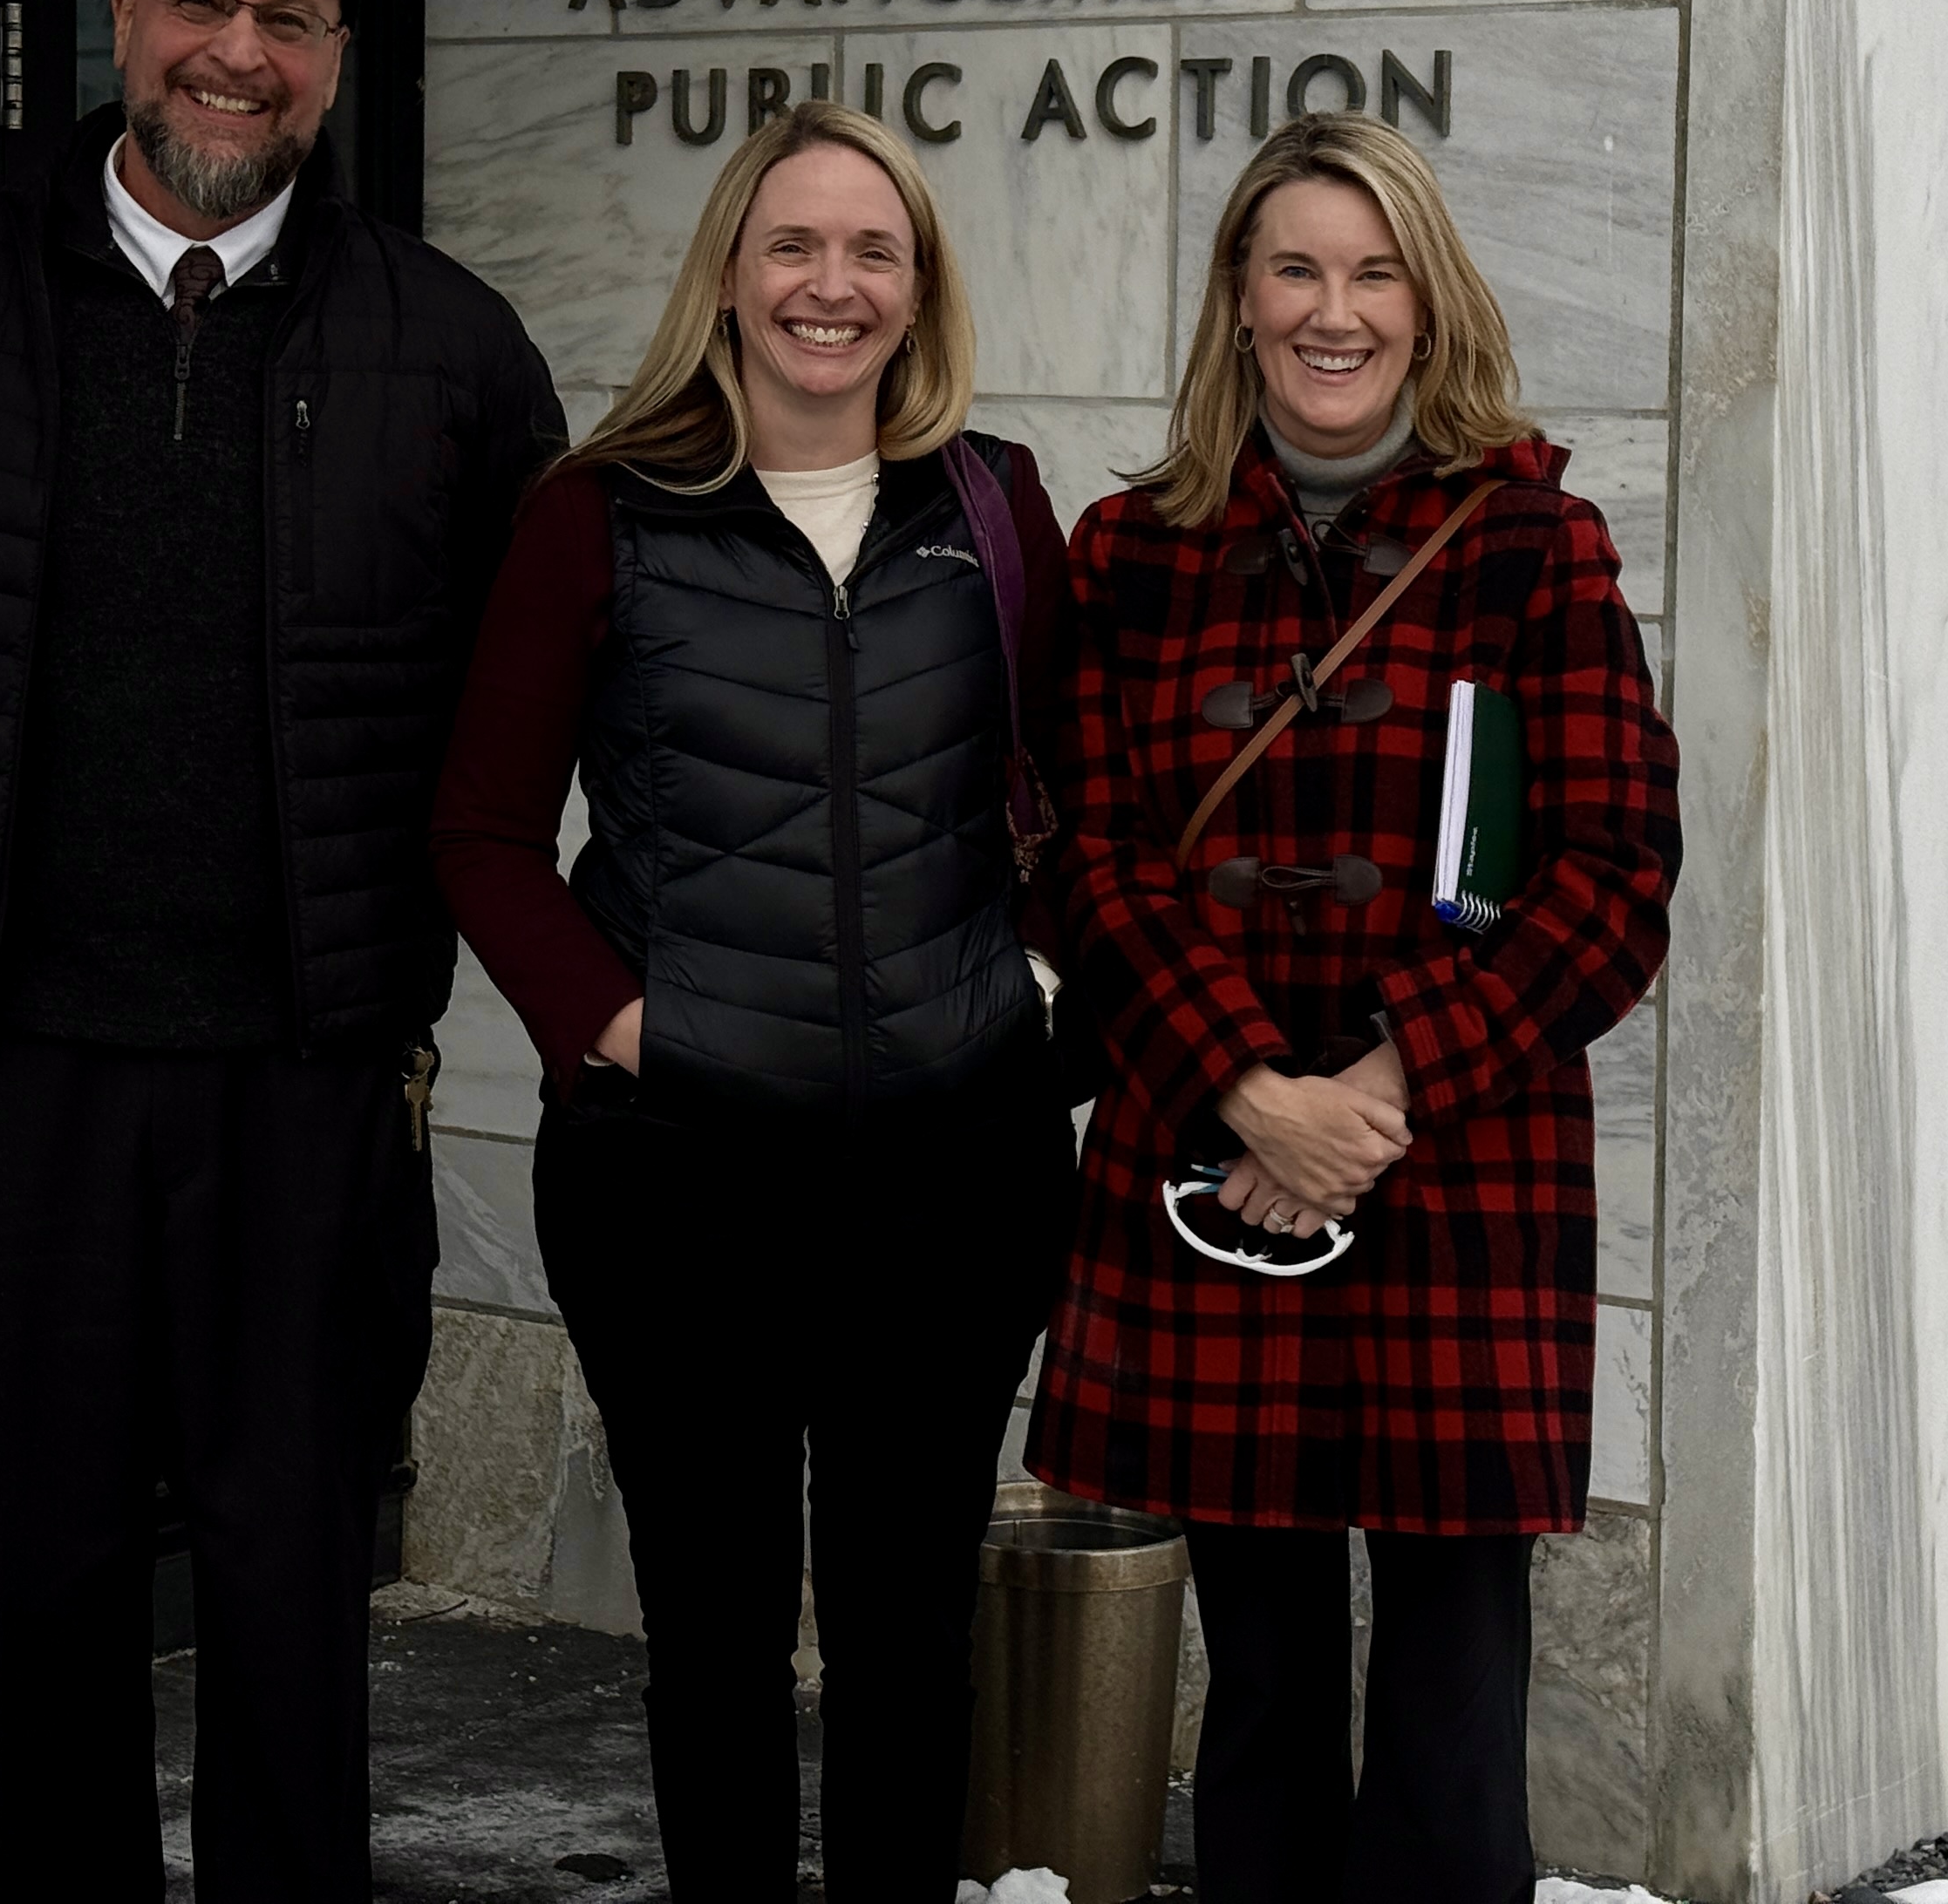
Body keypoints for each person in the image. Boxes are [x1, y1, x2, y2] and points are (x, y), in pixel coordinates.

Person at [0, 0, 564, 1901]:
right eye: (202, 5)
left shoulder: (450, 348)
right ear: (126, 18)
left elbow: (514, 696)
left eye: (289, 22)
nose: (240, 53)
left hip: (307, 1071)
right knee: (38, 1575)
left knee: (294, 1575)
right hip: (22, 1065)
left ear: (337, 64)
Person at [1026, 114, 1679, 1904]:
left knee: (1458, 1708)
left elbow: (1616, 875)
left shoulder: (1535, 546)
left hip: (1460, 1182)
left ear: (1427, 300)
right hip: (1215, 1180)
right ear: (1237, 299)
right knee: (1261, 1697)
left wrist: (1375, 1092)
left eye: (1375, 272)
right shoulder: (1127, 553)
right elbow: (1083, 858)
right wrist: (1252, 1091)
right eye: (1297, 269)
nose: (1336, 311)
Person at [430, 100, 1076, 1904]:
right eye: (793, 243)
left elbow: (1090, 799)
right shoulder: (597, 516)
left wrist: (1029, 989)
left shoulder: (996, 506)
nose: (830, 284)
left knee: (907, 1637)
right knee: (713, 1640)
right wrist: (631, 1033)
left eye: (874, 250)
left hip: (951, 1177)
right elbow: (482, 831)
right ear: (727, 271)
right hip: (679, 1182)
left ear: (918, 288)